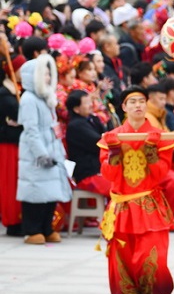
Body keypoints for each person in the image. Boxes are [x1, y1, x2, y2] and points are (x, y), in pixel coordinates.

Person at [98, 86, 174, 294]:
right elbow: (109, 175)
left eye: (142, 101)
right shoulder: (112, 137)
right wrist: (114, 151)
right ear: (124, 107)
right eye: (132, 101)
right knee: (122, 262)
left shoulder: (160, 137)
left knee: (151, 258)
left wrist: (151, 150)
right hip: (121, 208)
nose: (138, 105)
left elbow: (161, 174)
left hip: (149, 206)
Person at [16, 55, 72, 244]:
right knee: (35, 191)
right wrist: (41, 153)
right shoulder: (29, 99)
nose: (48, 77)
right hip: (36, 153)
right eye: (44, 74)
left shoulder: (46, 97)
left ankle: (47, 228)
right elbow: (31, 130)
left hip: (52, 148)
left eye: (49, 74)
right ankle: (32, 230)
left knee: (50, 192)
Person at [65, 89, 111, 197]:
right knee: (122, 187)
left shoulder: (92, 119)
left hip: (100, 169)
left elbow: (107, 134)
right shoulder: (75, 126)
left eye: (90, 101)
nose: (91, 105)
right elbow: (100, 143)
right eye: (86, 103)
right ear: (76, 109)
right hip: (89, 174)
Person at [0, 53, 25, 236]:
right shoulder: (5, 94)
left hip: (18, 141)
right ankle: (12, 220)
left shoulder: (18, 91)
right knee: (10, 183)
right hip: (8, 143)